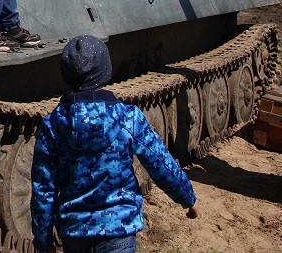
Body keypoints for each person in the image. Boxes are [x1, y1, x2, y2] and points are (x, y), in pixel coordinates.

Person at [30, 35, 200, 253]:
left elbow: (43, 187)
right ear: (106, 71)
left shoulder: (53, 125)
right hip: (119, 229)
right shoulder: (127, 118)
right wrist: (187, 197)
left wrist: (43, 241)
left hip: (75, 232)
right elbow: (160, 162)